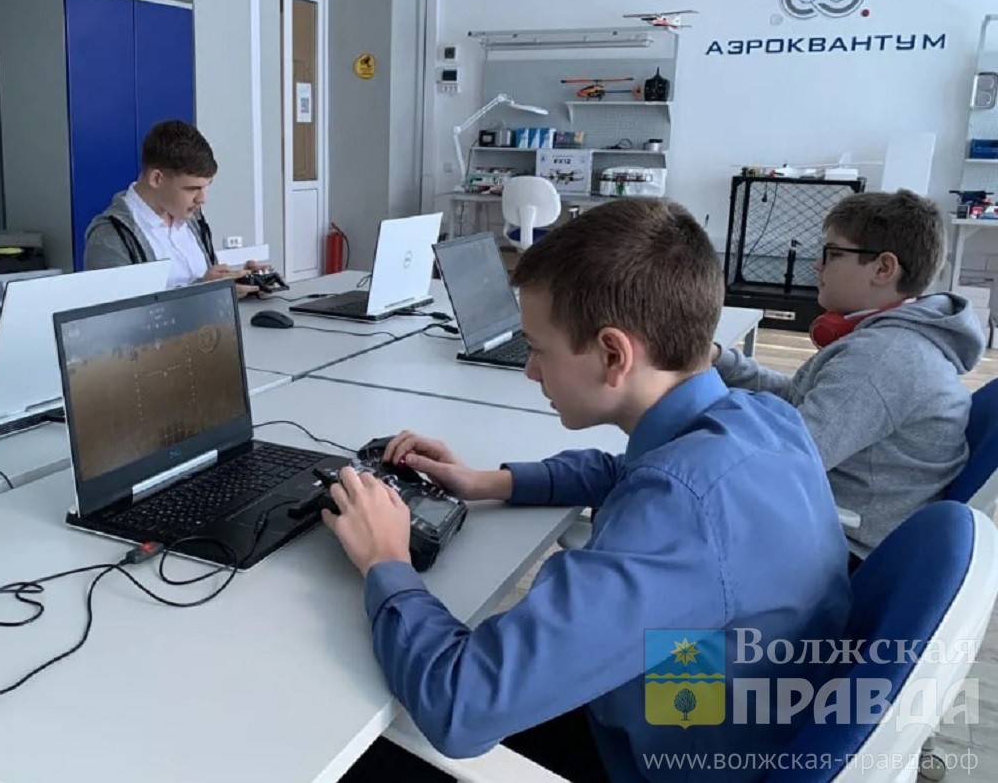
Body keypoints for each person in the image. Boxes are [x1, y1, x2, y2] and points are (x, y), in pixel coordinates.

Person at [325, 199, 851, 782]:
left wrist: (386, 560)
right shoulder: (760, 418)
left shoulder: (679, 516)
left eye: (538, 349)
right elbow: (626, 471)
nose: (530, 370)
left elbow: (457, 706)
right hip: (729, 708)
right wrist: (486, 481)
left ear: (613, 355)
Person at [712, 189, 985, 568]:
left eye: (833, 254)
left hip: (842, 551)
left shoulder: (883, 358)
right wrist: (718, 361)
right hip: (835, 521)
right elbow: (797, 398)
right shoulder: (890, 340)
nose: (818, 266)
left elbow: (785, 461)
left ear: (883, 268)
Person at [83, 120, 265, 295]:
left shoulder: (193, 218)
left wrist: (239, 283)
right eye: (192, 189)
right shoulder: (108, 236)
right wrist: (205, 291)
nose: (202, 199)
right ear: (156, 179)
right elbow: (118, 312)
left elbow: (208, 286)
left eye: (206, 186)